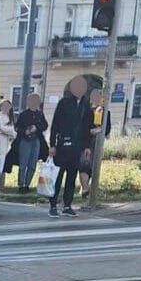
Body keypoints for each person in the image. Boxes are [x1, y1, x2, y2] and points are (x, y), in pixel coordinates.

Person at [48, 75, 91, 218]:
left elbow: (87, 126)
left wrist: (87, 146)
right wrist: (52, 144)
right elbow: (55, 124)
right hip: (63, 145)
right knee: (58, 176)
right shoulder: (64, 103)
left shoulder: (86, 105)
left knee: (71, 177)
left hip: (77, 146)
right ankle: (53, 205)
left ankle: (67, 205)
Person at [8, 93, 49, 193]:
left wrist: (36, 127)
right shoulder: (24, 114)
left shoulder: (40, 114)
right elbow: (17, 127)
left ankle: (27, 184)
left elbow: (45, 125)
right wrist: (25, 132)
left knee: (32, 164)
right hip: (25, 140)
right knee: (23, 163)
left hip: (36, 140)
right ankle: (21, 184)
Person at [79, 89, 112, 197]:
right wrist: (90, 131)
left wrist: (101, 130)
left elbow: (107, 129)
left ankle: (88, 189)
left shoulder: (106, 113)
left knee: (93, 166)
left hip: (98, 142)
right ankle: (84, 188)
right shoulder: (86, 110)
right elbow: (82, 127)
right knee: (84, 164)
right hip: (86, 141)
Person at [0, 100, 17, 179]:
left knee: (2, 161)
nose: (5, 108)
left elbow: (12, 132)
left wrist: (11, 132)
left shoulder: (10, 118)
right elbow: (1, 128)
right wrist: (11, 131)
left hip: (5, 143)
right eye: (3, 106)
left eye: (7, 106)